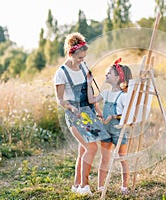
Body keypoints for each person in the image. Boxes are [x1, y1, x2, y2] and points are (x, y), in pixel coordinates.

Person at [54, 32, 100, 196]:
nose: (82, 61)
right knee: (91, 147)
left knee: (83, 150)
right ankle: (84, 186)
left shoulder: (84, 67)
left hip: (89, 113)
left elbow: (90, 91)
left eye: (84, 57)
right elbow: (60, 99)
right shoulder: (61, 73)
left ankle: (76, 185)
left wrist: (97, 110)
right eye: (80, 58)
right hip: (74, 116)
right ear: (70, 53)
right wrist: (72, 109)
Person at [87, 58, 132, 195]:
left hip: (118, 131)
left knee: (122, 158)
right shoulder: (106, 93)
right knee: (104, 159)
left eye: (109, 73)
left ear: (118, 78)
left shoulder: (123, 96)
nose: (106, 75)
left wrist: (113, 117)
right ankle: (101, 186)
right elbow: (91, 100)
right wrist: (89, 84)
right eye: (106, 73)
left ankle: (124, 186)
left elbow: (127, 115)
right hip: (106, 131)